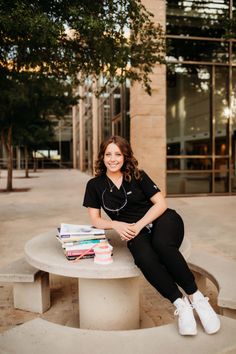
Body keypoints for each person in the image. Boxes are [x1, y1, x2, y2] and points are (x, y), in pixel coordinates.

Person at [83, 135, 220, 336]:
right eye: (108, 154)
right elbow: (96, 220)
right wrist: (115, 224)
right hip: (132, 230)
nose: (113, 159)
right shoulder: (94, 185)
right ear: (102, 157)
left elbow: (161, 204)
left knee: (162, 245)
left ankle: (197, 298)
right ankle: (181, 304)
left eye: (118, 154)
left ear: (125, 156)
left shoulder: (138, 175)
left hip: (163, 220)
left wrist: (138, 225)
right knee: (144, 257)